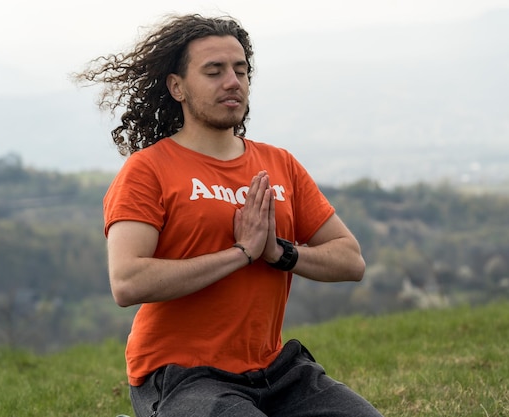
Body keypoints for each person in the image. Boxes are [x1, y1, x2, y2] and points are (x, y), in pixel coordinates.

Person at [75, 13, 383, 417]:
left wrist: (279, 253)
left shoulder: (280, 164)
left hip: (276, 371)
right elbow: (127, 281)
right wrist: (240, 253)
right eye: (214, 71)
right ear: (177, 87)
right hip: (182, 374)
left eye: (240, 70)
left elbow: (351, 260)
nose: (232, 81)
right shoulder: (148, 170)